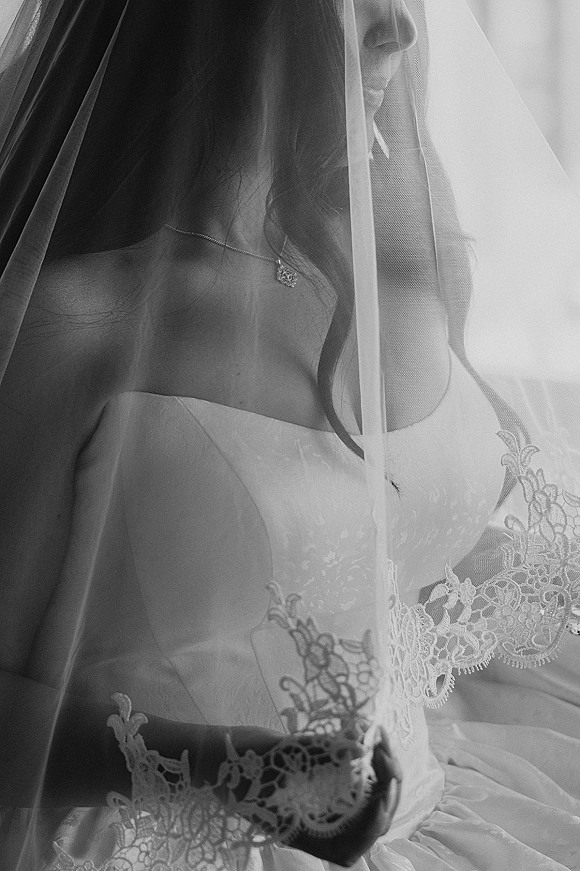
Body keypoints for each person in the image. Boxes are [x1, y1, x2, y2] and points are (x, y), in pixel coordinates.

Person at [1, 0, 580, 869]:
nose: (400, 30)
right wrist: (242, 774)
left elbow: (389, 554)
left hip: (444, 811)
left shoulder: (406, 258)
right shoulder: (71, 324)